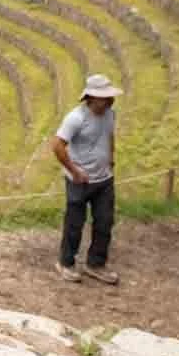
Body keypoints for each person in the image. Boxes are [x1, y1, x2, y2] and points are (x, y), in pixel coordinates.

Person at [53, 74, 122, 285]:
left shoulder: (110, 114)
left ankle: (96, 264)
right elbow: (57, 145)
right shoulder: (75, 118)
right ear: (91, 97)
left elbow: (109, 135)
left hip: (104, 180)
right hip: (79, 181)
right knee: (75, 223)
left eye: (110, 96)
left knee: (104, 222)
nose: (110, 100)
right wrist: (74, 171)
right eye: (104, 97)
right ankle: (65, 263)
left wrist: (111, 157)